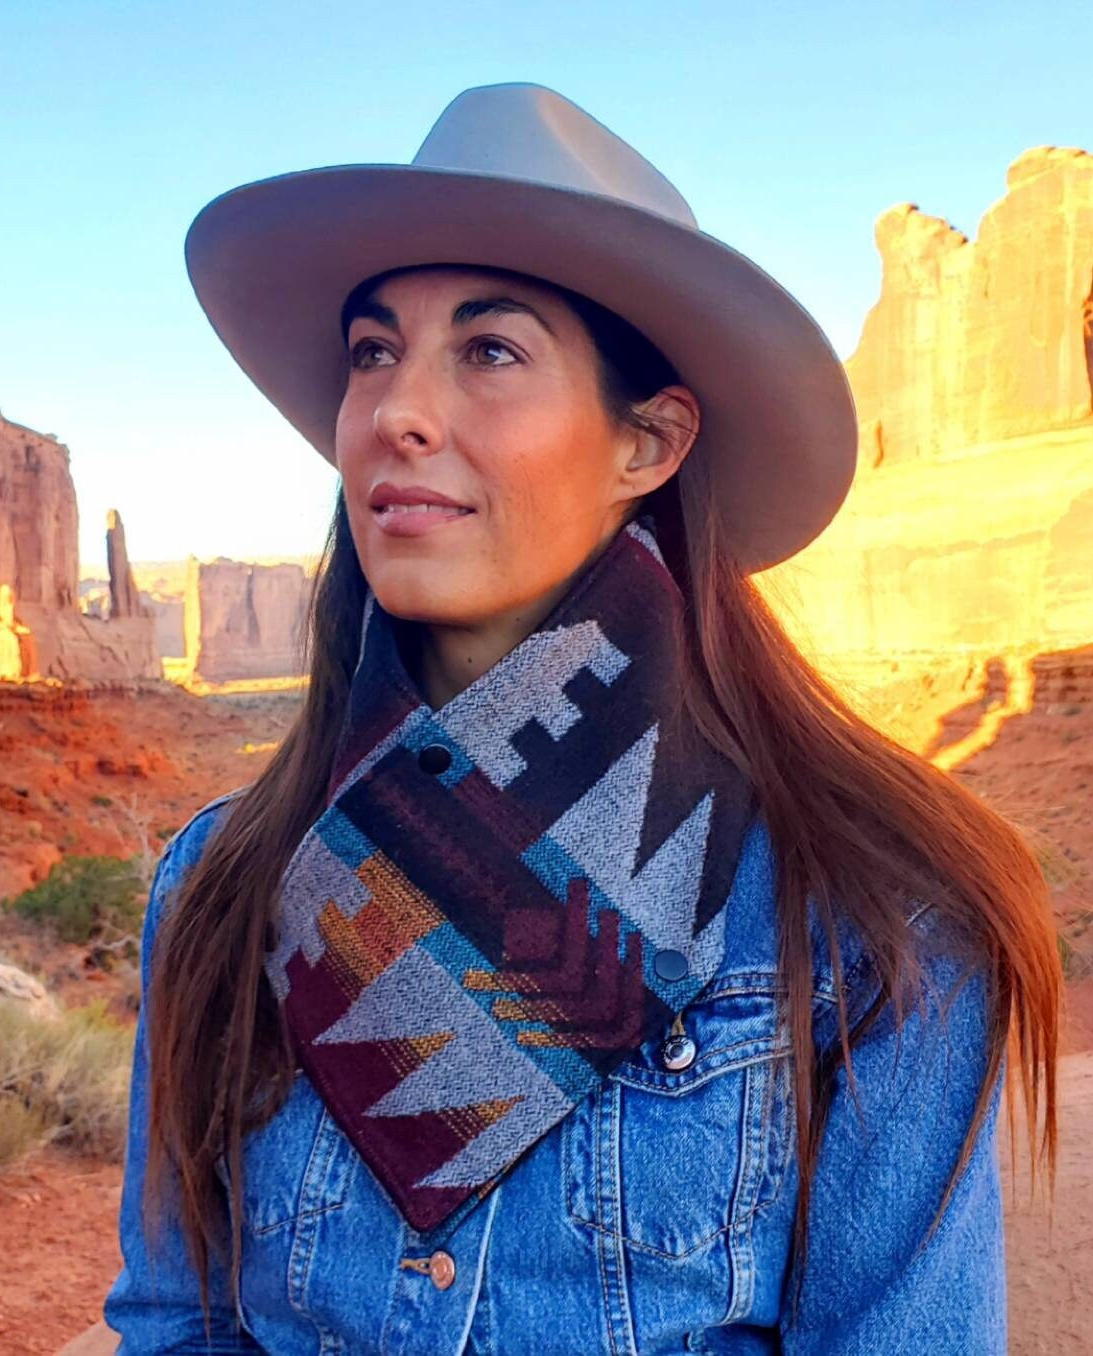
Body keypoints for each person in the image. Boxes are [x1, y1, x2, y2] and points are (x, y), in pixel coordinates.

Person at [103, 83, 1061, 1354]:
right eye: (372, 351)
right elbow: (181, 1323)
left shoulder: (870, 917)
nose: (396, 409)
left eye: (489, 351)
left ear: (647, 444)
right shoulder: (221, 887)